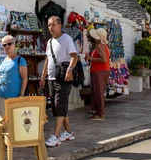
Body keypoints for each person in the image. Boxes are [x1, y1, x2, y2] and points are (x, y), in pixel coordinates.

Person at [40, 16, 79, 147]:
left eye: (53, 25)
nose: (50, 28)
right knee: (58, 107)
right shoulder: (50, 42)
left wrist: (69, 69)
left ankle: (56, 135)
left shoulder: (67, 39)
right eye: (49, 25)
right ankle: (69, 132)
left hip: (63, 77)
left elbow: (74, 56)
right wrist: (43, 76)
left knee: (59, 106)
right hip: (51, 78)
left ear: (60, 25)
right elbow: (48, 59)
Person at [0, 35, 28, 117]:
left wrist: (21, 95)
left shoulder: (20, 60)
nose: (7, 46)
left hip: (14, 98)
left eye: (9, 44)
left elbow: (25, 79)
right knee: (3, 124)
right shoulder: (3, 60)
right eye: (4, 45)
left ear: (14, 44)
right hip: (1, 97)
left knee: (14, 124)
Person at [84, 28, 110, 120]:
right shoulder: (104, 46)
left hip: (99, 71)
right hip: (102, 70)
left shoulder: (100, 46)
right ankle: (97, 112)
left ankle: (100, 113)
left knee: (98, 92)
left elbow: (103, 60)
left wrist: (90, 58)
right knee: (97, 92)